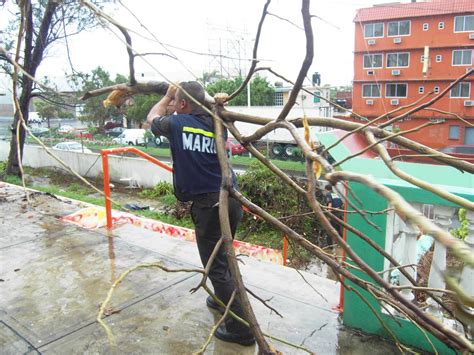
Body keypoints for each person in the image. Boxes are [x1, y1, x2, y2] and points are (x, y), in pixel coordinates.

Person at [145, 81, 255, 346]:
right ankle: (222, 301)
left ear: (182, 104)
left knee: (216, 267)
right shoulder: (217, 122)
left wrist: (167, 95)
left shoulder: (178, 123)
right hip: (231, 201)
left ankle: (242, 331)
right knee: (225, 260)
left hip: (210, 206)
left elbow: (151, 118)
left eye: (176, 101)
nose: (172, 105)